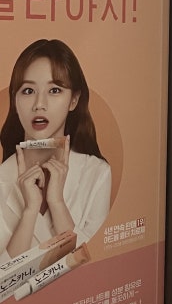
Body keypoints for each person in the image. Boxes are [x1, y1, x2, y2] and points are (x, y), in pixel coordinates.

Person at [0, 39, 111, 263]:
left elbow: (94, 268)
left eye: (54, 90)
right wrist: (29, 211)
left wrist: (57, 203)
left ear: (74, 100)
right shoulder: (2, 177)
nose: (39, 104)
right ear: (15, 100)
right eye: (28, 90)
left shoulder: (97, 173)